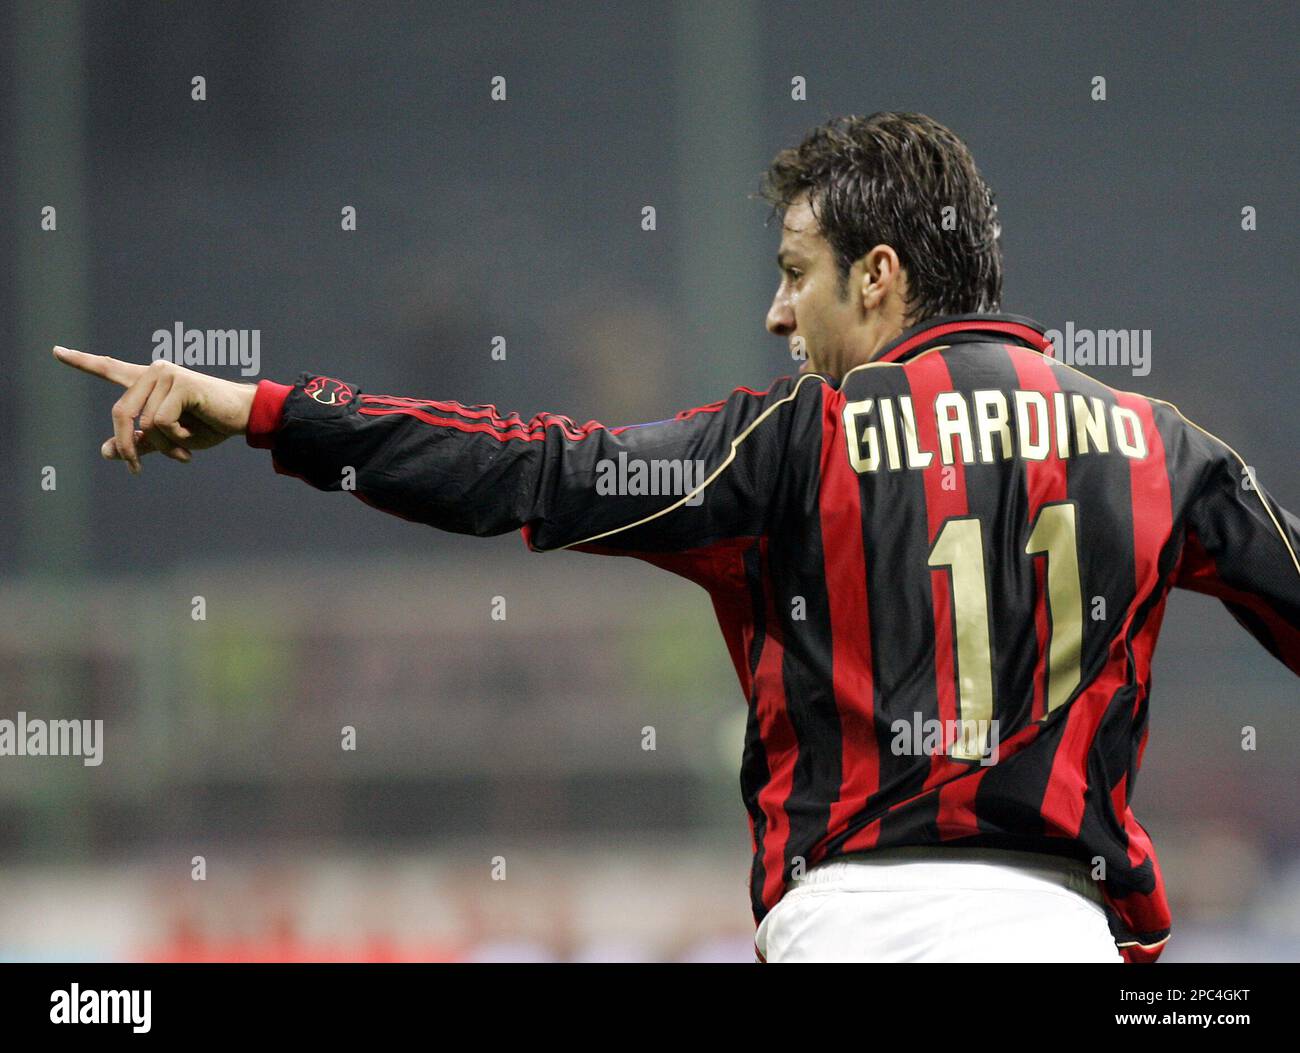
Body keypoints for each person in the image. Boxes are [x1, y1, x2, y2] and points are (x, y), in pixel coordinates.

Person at [54, 112, 1300, 963]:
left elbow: (520, 468)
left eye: (793, 273)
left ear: (875, 277)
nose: (773, 311)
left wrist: (269, 411)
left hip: (857, 925)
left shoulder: (788, 443)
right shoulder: (1161, 449)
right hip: (1067, 938)